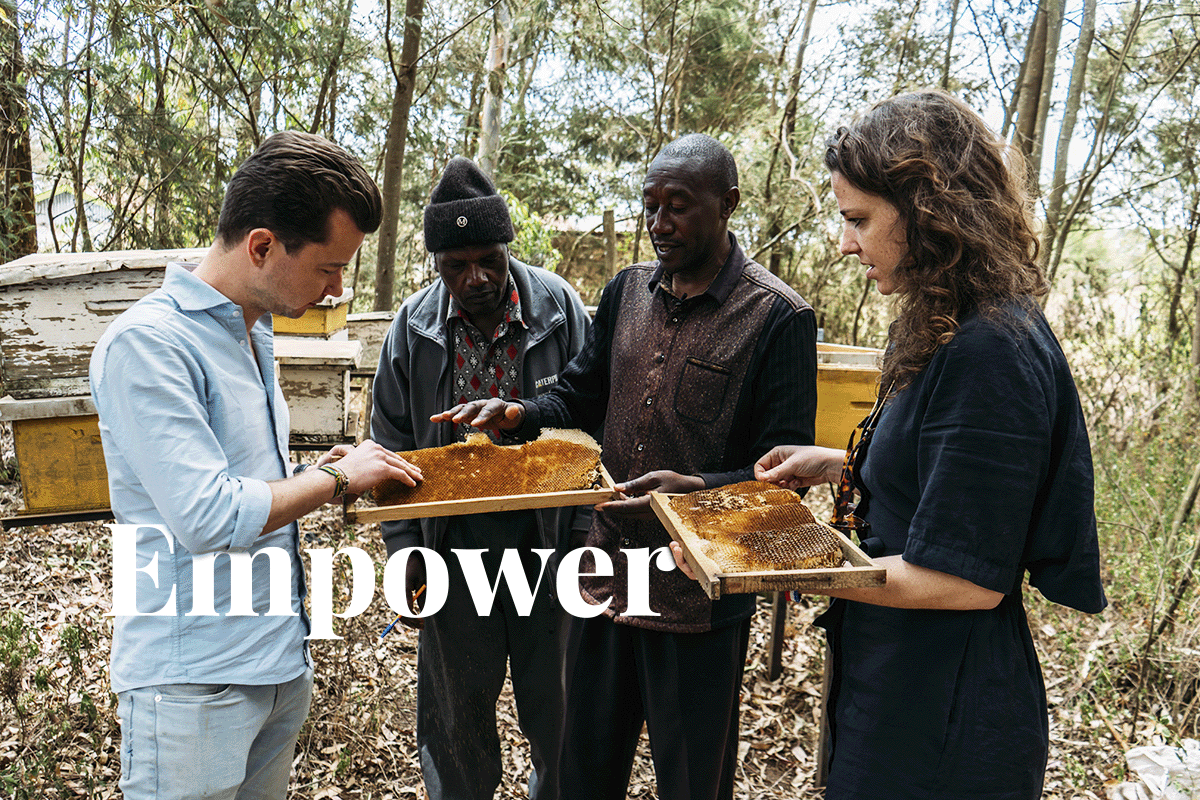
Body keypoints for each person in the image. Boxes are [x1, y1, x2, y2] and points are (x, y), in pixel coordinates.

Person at [676, 91, 1107, 798]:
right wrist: (842, 464)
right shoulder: (945, 320)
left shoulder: (990, 350)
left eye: (859, 220)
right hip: (895, 688)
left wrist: (768, 566)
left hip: (943, 729)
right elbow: (950, 477)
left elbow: (965, 578)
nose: (846, 244)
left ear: (931, 211)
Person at [436, 134, 819, 800]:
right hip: (604, 580)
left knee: (692, 781)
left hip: (699, 599)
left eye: (678, 206)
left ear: (727, 204)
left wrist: (694, 491)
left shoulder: (777, 317)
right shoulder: (625, 294)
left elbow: (782, 478)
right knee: (581, 772)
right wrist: (518, 414)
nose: (659, 224)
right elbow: (578, 395)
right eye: (649, 205)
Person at [90, 130, 422, 800]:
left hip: (272, 666)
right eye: (328, 268)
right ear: (263, 246)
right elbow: (206, 514)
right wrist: (334, 480)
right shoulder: (148, 345)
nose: (334, 290)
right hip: (193, 687)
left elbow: (236, 476)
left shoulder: (250, 330)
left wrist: (311, 470)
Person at [370, 155, 593, 800]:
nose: (476, 278)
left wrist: (582, 535)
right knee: (455, 715)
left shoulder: (559, 309)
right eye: (456, 266)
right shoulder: (413, 328)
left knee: (556, 709)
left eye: (488, 259)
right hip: (453, 548)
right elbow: (394, 441)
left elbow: (589, 424)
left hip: (547, 547)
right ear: (436, 266)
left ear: (507, 247)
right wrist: (405, 545)